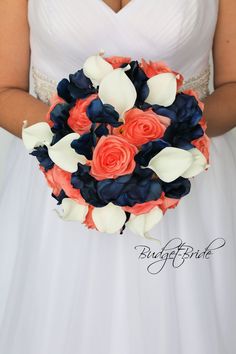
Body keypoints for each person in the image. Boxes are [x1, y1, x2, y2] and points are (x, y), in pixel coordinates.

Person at [0, 0, 235, 353]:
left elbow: (232, 86)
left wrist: (165, 137)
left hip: (186, 187)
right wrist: (84, 144)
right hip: (55, 195)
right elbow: (5, 89)